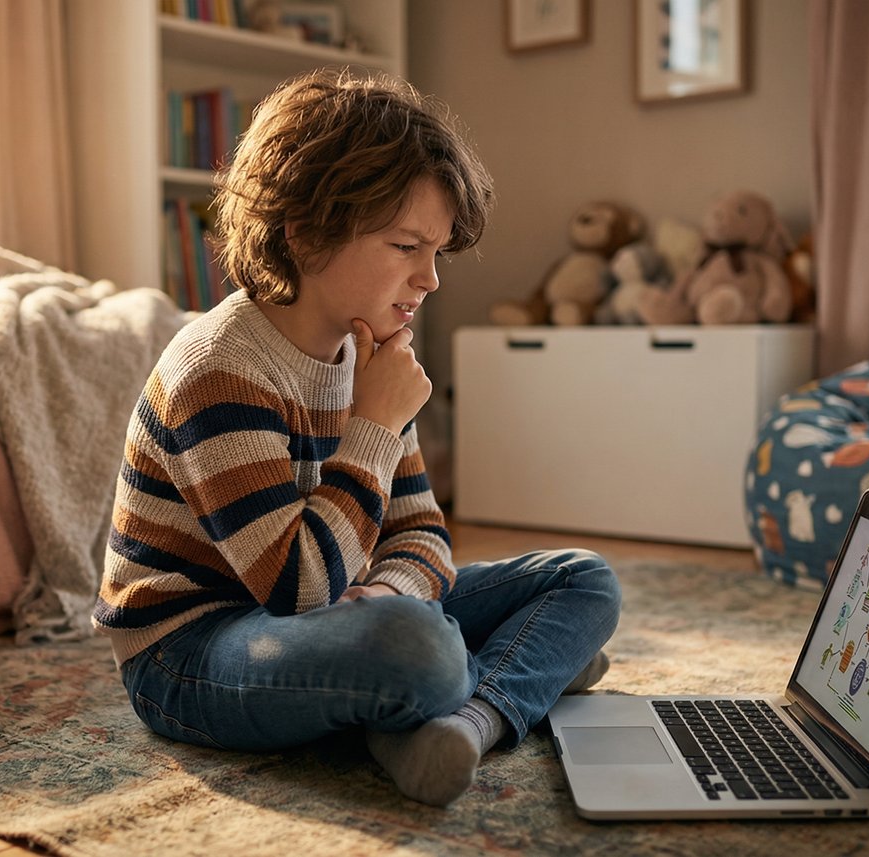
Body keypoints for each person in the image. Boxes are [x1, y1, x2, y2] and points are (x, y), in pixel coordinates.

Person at [93, 68, 622, 807]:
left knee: (582, 578)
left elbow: (424, 539)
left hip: (335, 608)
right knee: (419, 648)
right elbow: (295, 590)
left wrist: (386, 592)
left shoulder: (364, 350)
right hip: (193, 649)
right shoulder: (218, 369)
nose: (430, 279)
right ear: (306, 233)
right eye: (407, 245)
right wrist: (374, 427)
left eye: (435, 251)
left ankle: (463, 723)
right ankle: (510, 672)